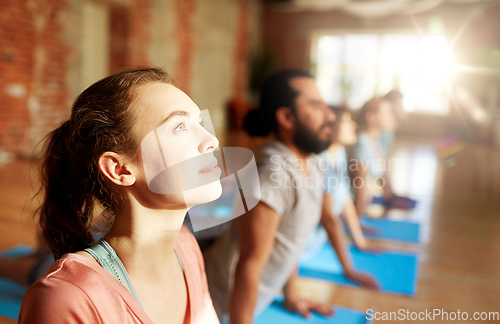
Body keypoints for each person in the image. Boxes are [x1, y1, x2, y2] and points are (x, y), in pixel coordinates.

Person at [19, 68, 221, 324]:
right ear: (120, 169)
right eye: (180, 126)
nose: (211, 140)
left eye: (200, 123)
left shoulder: (186, 248)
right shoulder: (66, 297)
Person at [203, 70, 379, 324]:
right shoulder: (272, 176)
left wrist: (291, 294)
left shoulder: (314, 162)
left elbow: (292, 239)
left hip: (253, 305)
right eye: (316, 106)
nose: (330, 115)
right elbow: (248, 267)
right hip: (218, 310)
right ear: (286, 117)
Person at [303, 106, 384, 259]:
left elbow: (344, 199)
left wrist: (360, 242)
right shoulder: (321, 160)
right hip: (305, 246)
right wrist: (348, 269)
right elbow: (329, 219)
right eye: (347, 122)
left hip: (320, 240)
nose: (354, 125)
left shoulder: (338, 152)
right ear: (329, 129)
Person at [348, 98, 411, 217]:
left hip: (362, 206)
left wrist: (390, 198)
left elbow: (382, 171)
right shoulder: (362, 145)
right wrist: (357, 223)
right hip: (351, 209)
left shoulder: (375, 140)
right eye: (388, 113)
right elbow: (359, 190)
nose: (393, 117)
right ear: (371, 117)